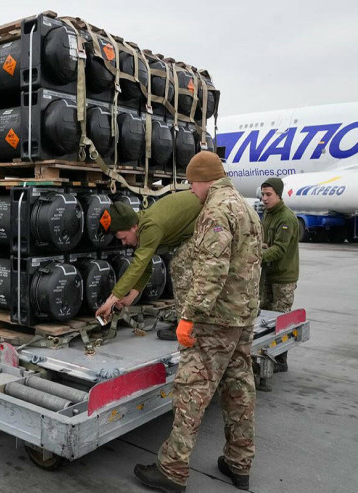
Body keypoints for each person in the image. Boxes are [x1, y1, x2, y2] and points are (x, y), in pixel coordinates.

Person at [133, 151, 263, 492]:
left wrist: (189, 317)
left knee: (192, 392)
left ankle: (172, 470)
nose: (191, 191)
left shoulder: (216, 211)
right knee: (239, 389)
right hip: (242, 317)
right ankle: (239, 463)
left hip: (215, 320)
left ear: (204, 179)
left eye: (192, 183)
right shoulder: (247, 207)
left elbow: (211, 271)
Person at [95, 192, 203, 340]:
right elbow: (145, 266)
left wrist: (110, 301)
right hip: (196, 224)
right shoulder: (141, 226)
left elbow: (138, 265)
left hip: (207, 219)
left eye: (124, 238)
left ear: (133, 227)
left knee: (180, 265)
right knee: (180, 262)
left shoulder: (150, 227)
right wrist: (130, 298)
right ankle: (188, 320)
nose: (124, 243)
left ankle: (188, 326)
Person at [259, 177, 299, 373]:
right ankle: (266, 354)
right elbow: (268, 242)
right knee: (264, 317)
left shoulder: (286, 217)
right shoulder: (268, 214)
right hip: (268, 274)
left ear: (278, 195)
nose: (264, 199)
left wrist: (257, 255)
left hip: (283, 277)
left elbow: (280, 249)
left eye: (268, 195)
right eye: (263, 194)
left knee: (280, 320)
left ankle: (281, 360)